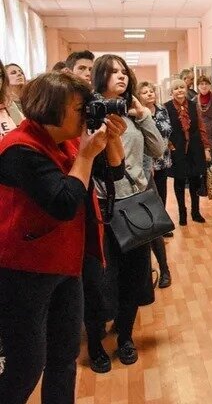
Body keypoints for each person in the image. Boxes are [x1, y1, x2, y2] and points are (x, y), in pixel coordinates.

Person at [0, 72, 126, 404]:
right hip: (24, 271)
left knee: (64, 357)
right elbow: (64, 202)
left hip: (66, 265)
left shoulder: (66, 139)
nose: (87, 115)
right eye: (80, 108)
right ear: (52, 109)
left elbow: (112, 173)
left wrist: (111, 139)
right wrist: (85, 156)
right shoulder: (18, 148)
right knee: (27, 365)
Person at [84, 54, 166, 373]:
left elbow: (158, 151)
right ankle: (94, 344)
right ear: (99, 76)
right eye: (112, 71)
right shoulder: (88, 112)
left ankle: (126, 339)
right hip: (101, 208)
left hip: (134, 203)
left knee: (134, 275)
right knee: (100, 281)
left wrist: (143, 114)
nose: (120, 76)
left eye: (123, 72)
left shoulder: (131, 114)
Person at [136, 81, 173, 287]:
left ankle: (164, 269)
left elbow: (157, 142)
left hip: (147, 169)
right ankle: (143, 273)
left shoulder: (147, 113)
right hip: (124, 177)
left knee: (152, 223)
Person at [165, 78, 211, 225]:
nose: (179, 90)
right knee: (179, 182)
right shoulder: (166, 107)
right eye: (176, 88)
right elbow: (164, 130)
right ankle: (182, 213)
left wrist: (206, 148)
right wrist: (169, 145)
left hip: (195, 148)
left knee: (195, 181)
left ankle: (196, 212)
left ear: (186, 89)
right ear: (171, 92)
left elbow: (202, 127)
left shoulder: (193, 105)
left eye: (182, 87)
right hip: (177, 149)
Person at [0, 60, 24, 139]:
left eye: (0, 75)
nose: (19, 74)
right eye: (13, 73)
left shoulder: (10, 105)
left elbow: (23, 133)